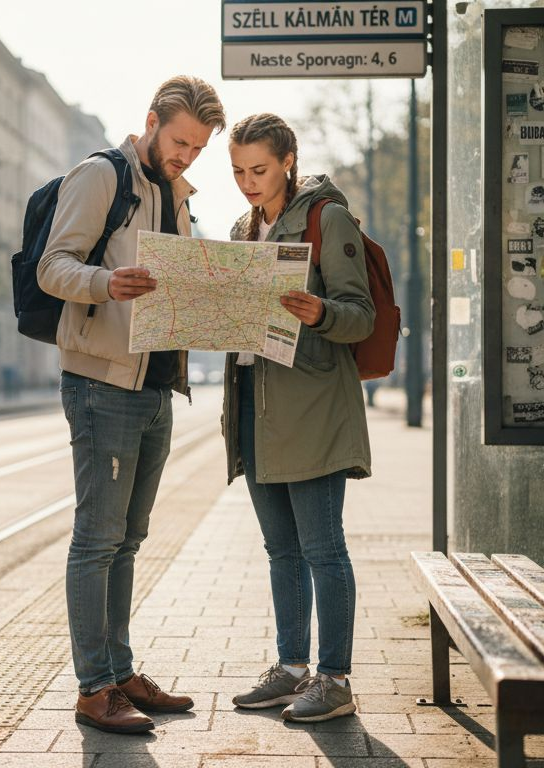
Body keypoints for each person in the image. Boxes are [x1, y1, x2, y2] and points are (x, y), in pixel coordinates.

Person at [37, 75, 226, 734]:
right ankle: (94, 689)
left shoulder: (177, 195)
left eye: (198, 148)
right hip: (100, 385)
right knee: (96, 540)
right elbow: (51, 266)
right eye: (179, 142)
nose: (185, 156)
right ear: (151, 122)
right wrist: (107, 283)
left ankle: (119, 671)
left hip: (154, 386)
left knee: (129, 539)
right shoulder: (101, 176)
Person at [221, 113, 374, 723]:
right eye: (236, 171)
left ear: (288, 160)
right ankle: (291, 668)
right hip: (255, 409)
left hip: (312, 408)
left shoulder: (325, 217)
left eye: (258, 169)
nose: (247, 183)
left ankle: (335, 679)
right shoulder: (240, 228)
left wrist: (319, 313)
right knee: (280, 549)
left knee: (322, 548)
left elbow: (359, 315)